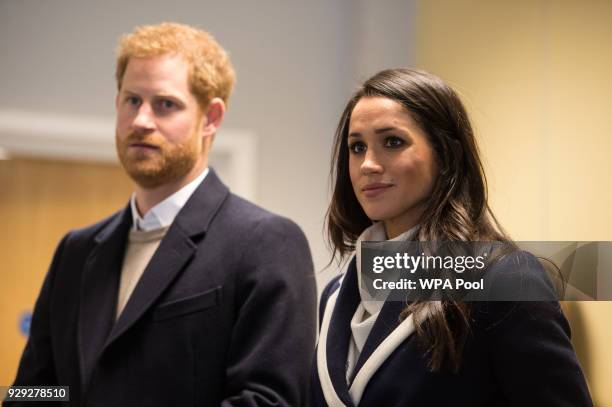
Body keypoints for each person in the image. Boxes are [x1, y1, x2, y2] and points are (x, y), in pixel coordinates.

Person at [7, 22, 316, 406]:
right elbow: (36, 388)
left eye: (165, 104)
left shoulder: (265, 242)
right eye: (131, 100)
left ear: (211, 118)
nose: (141, 121)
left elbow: (268, 400)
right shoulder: (76, 250)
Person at [310, 68, 593, 406]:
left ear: (446, 155)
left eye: (393, 142)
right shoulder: (337, 293)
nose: (368, 164)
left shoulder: (504, 279)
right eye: (357, 147)